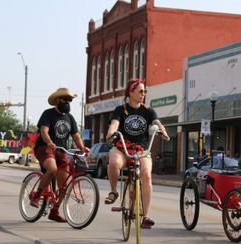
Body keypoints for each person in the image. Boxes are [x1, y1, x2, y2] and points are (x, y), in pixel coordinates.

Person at [105, 78, 170, 229]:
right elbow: (114, 124)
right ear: (131, 92)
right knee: (114, 162)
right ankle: (114, 192)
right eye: (140, 91)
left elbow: (156, 122)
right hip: (123, 147)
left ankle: (145, 216)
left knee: (146, 175)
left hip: (141, 150)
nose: (143, 94)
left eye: (145, 91)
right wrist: (111, 133)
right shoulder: (120, 110)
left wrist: (163, 131)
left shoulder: (148, 111)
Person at [30, 87, 90, 222]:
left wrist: (82, 148)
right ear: (57, 100)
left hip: (61, 151)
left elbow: (76, 136)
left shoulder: (70, 118)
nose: (68, 102)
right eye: (65, 99)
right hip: (45, 148)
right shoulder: (48, 114)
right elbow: (44, 131)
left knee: (64, 185)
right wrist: (50, 142)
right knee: (52, 169)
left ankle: (54, 211)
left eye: (69, 100)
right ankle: (36, 195)